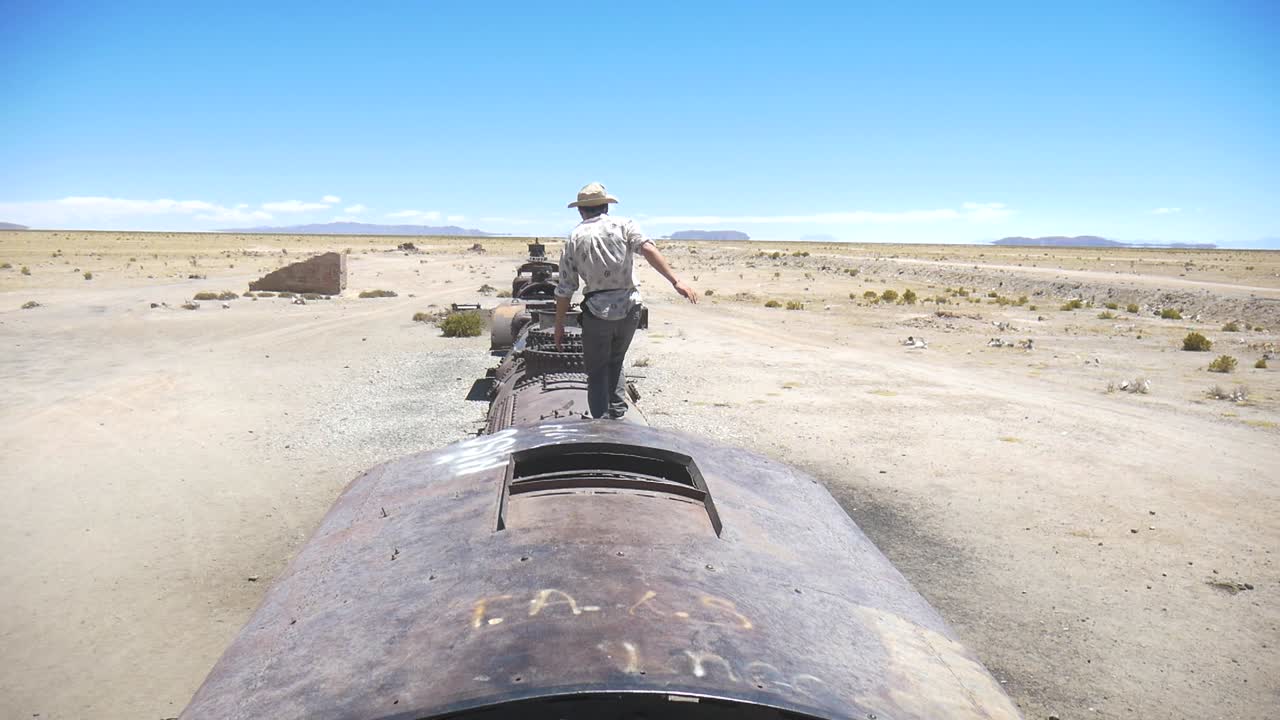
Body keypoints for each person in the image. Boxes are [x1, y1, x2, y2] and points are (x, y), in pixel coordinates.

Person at [554, 182, 697, 420]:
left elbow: (565, 288)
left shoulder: (574, 237)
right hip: (631, 307)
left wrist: (559, 324)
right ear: (606, 207)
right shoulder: (625, 225)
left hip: (598, 312)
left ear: (581, 210)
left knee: (597, 370)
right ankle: (618, 416)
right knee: (616, 360)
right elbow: (648, 248)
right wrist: (675, 281)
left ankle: (601, 423)